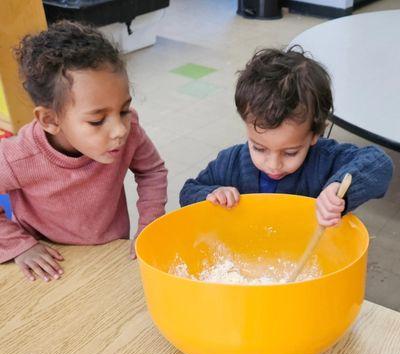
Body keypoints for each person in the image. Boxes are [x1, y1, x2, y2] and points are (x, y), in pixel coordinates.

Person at [0, 21, 167, 282]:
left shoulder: (130, 129)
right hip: (52, 264)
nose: (119, 130)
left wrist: (149, 225)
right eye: (97, 120)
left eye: (123, 110)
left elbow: (152, 171)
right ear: (50, 120)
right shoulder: (18, 156)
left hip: (110, 252)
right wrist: (18, 245)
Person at [180, 47, 393, 227]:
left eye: (290, 152)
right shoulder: (230, 163)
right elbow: (188, 192)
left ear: (314, 134)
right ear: (247, 128)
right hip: (246, 253)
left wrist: (339, 190)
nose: (273, 165)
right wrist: (212, 194)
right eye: (259, 148)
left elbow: (380, 163)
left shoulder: (325, 159)